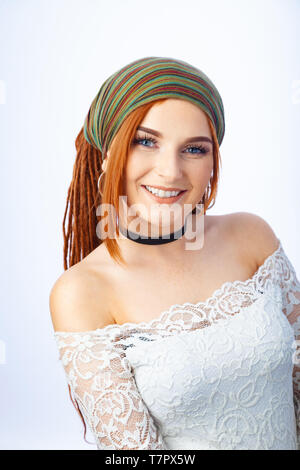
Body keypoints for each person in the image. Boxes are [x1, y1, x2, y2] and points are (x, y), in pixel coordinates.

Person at [49, 56, 300, 450]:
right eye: (145, 141)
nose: (170, 171)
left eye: (194, 149)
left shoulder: (252, 236)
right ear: (106, 152)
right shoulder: (82, 292)